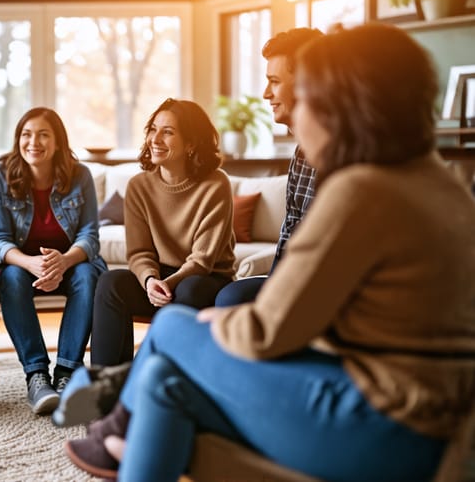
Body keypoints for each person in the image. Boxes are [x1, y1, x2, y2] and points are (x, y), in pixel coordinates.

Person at [61, 24, 475, 482]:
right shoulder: (445, 186)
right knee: (163, 382)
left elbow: (266, 332)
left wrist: (217, 325)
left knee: (177, 328)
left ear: (342, 106)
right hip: (441, 420)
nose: (295, 112)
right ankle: (122, 418)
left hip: (389, 426)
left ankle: (115, 415)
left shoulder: (362, 190)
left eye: (306, 99)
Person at [89, 98, 235, 368]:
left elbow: (202, 259)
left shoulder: (216, 184)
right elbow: (139, 252)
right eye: (153, 129)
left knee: (190, 288)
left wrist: (170, 283)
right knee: (111, 282)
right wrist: (149, 281)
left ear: (191, 143)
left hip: (205, 279)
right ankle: (102, 382)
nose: (155, 139)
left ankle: (153, 375)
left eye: (167, 132)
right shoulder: (138, 186)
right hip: (159, 281)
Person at [0, 107, 107, 415]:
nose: (33, 142)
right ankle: (36, 375)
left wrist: (62, 262)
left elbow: (90, 236)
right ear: (18, 139)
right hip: (24, 266)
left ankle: (67, 372)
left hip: (71, 263)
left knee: (88, 275)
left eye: (43, 135)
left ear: (57, 142)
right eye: (26, 134)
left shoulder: (81, 175)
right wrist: (31, 264)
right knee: (10, 277)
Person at [214, 27, 324, 306]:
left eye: (274, 81)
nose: (265, 94)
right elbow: (290, 231)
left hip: (324, 289)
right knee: (229, 296)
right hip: (292, 282)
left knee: (227, 302)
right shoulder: (301, 155)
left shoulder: (345, 154)